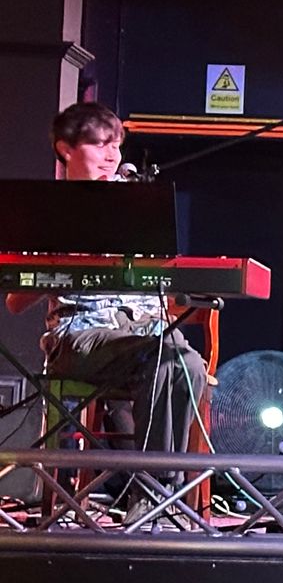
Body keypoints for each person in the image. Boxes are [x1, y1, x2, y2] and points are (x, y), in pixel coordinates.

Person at [4, 102, 210, 472]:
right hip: (80, 337)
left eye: (116, 146)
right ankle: (155, 488)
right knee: (166, 357)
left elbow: (164, 274)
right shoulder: (48, 212)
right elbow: (16, 301)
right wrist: (64, 255)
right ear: (66, 149)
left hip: (143, 333)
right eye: (100, 144)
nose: (111, 156)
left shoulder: (137, 203)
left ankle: (153, 488)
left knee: (186, 362)